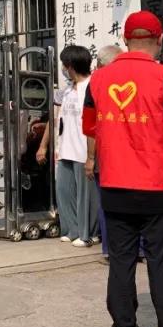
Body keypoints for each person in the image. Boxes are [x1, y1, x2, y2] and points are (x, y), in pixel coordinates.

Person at [81, 11, 163, 327]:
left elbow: (90, 127)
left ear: (125, 40)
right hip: (157, 187)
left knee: (121, 263)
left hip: (114, 185)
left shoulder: (99, 79)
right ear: (159, 40)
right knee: (161, 264)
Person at [42, 45, 97, 246]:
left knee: (86, 196)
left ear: (71, 66)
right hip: (65, 149)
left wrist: (92, 155)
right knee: (64, 192)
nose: (63, 69)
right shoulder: (66, 91)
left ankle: (88, 233)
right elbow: (56, 118)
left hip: (83, 150)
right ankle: (71, 229)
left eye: (64, 65)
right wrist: (45, 145)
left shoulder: (92, 87)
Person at [91, 44, 123, 264]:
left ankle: (113, 250)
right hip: (112, 156)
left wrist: (90, 158)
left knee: (110, 204)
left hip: (113, 157)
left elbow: (90, 127)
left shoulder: (98, 86)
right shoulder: (99, 86)